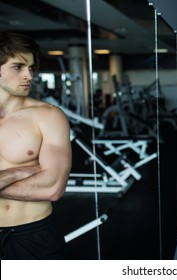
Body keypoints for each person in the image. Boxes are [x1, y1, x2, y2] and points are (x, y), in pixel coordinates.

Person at [0, 31, 72, 259]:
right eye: (18, 67)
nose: (28, 75)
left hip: (33, 235)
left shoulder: (48, 116)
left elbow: (53, 188)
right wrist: (20, 172)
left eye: (31, 68)